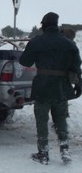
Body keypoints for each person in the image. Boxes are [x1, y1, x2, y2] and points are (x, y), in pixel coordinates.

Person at [19, 12, 81, 165]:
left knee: (41, 119)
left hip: (43, 87)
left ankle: (43, 152)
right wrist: (79, 85)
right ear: (56, 25)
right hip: (61, 87)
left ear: (44, 25)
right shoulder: (69, 44)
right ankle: (64, 149)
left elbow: (25, 61)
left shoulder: (37, 41)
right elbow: (77, 67)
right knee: (60, 119)